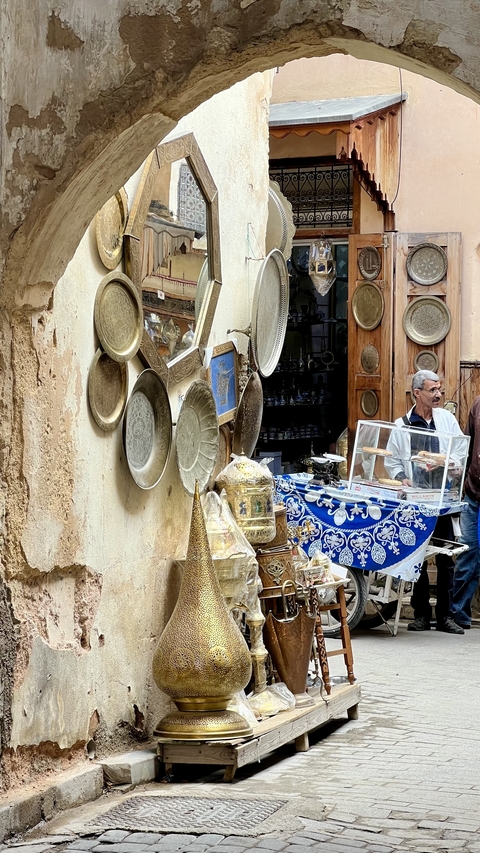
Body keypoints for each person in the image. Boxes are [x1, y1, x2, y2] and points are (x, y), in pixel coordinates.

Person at [385, 370, 466, 634]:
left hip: (442, 499)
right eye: (432, 390)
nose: (438, 394)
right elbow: (392, 460)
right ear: (417, 393)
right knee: (418, 556)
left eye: (440, 389)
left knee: (446, 559)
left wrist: (447, 463)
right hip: (416, 501)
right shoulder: (401, 426)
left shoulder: (447, 420)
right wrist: (401, 478)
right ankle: (420, 614)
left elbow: (459, 450)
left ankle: (446, 616)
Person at [451, 396, 480, 629]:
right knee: (467, 551)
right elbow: (465, 447)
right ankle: (458, 612)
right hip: (473, 493)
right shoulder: (478, 405)